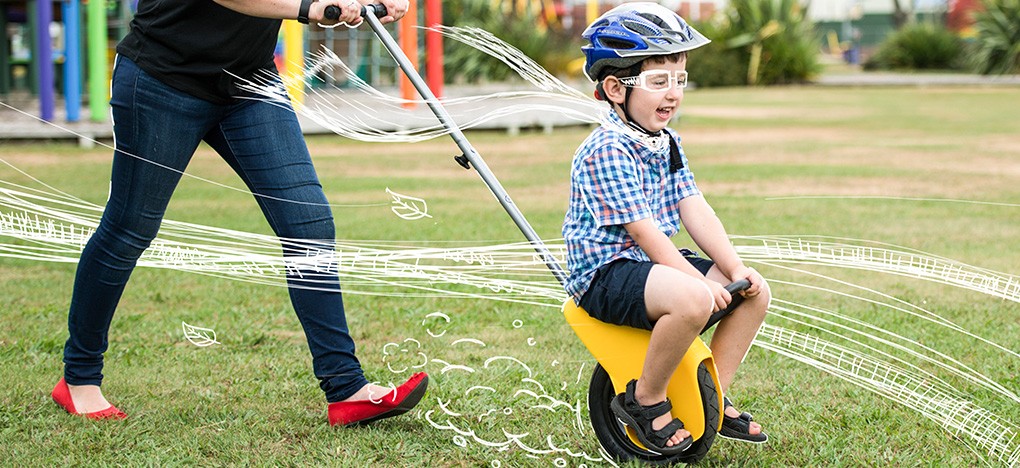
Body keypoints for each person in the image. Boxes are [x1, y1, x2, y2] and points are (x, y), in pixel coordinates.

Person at [50, 0, 429, 427]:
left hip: (250, 85)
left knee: (308, 223)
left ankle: (346, 388)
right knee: (129, 229)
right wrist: (310, 8)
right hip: (163, 79)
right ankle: (79, 378)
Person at [562, 3, 770, 454]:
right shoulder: (606, 149)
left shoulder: (666, 140)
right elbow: (644, 232)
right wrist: (696, 280)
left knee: (755, 292)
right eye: (659, 81)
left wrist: (734, 267)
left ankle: (711, 395)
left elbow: (692, 205)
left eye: (680, 80)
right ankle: (645, 398)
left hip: (647, 267)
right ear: (615, 89)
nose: (673, 93)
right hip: (605, 273)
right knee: (695, 297)